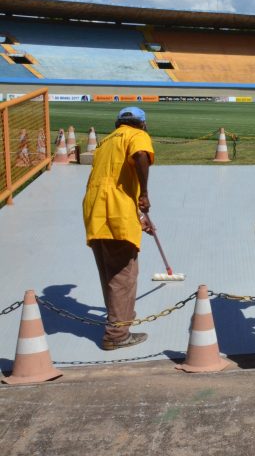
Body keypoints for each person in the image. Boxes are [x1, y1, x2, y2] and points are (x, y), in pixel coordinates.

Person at [82, 107, 154, 350]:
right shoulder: (136, 135)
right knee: (124, 274)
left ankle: (117, 322)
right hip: (116, 213)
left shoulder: (106, 142)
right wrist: (144, 193)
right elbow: (141, 156)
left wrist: (137, 217)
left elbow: (113, 182)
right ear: (142, 124)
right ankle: (117, 334)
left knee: (109, 272)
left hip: (96, 212)